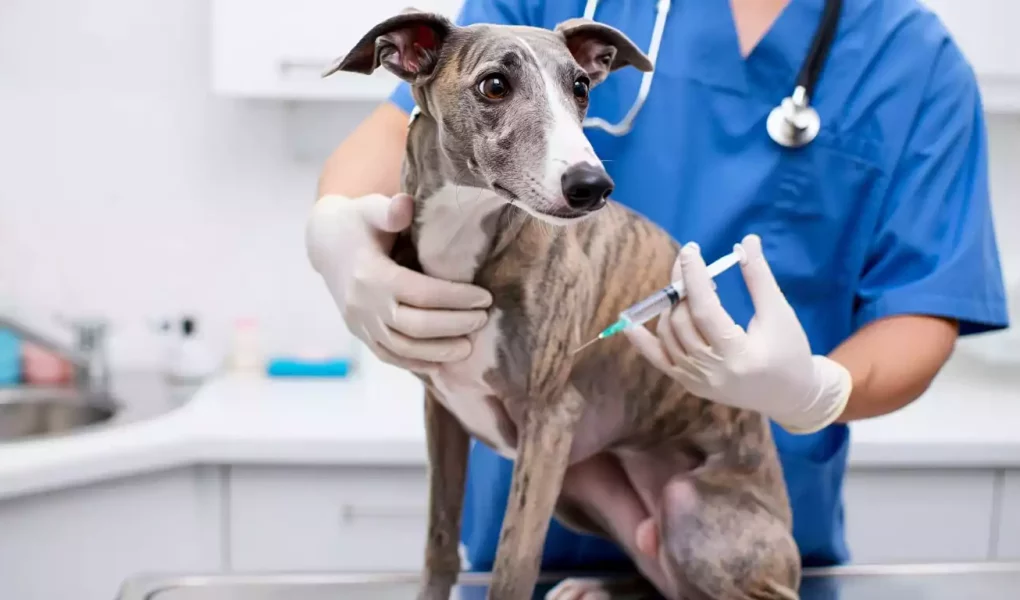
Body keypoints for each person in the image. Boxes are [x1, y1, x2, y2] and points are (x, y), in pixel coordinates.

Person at [306, 0, 1009, 574]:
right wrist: (335, 231)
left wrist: (815, 388)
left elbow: (924, 312)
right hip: (533, 538)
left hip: (729, 525)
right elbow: (407, 125)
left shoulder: (912, 59)